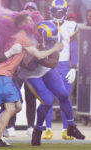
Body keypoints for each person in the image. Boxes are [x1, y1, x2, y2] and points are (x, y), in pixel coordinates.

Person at [0, 13, 63, 147]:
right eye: (29, 21)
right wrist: (54, 48)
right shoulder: (22, 37)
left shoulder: (13, 36)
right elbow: (38, 55)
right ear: (22, 24)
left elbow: (26, 59)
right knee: (10, 108)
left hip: (6, 75)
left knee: (18, 107)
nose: (32, 23)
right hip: (3, 75)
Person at [19, 20, 85, 146]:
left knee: (63, 94)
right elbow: (28, 65)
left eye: (53, 40)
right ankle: (38, 130)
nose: (52, 42)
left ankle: (71, 127)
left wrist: (41, 56)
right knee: (48, 101)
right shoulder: (27, 40)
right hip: (31, 74)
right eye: (49, 40)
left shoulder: (53, 36)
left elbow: (53, 62)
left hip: (46, 69)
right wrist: (41, 55)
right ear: (40, 36)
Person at [4, 1, 44, 137]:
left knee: (31, 98)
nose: (31, 13)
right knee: (15, 98)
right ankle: (10, 126)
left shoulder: (39, 31)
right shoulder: (17, 29)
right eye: (29, 10)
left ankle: (31, 126)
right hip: (18, 68)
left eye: (33, 10)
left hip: (31, 69)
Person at [42, 0, 80, 140]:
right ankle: (48, 129)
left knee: (65, 99)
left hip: (65, 66)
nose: (58, 14)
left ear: (65, 11)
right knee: (47, 99)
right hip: (50, 65)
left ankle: (66, 129)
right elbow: (42, 47)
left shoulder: (72, 26)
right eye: (56, 11)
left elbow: (74, 48)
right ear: (51, 11)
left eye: (61, 11)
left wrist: (74, 67)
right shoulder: (45, 25)